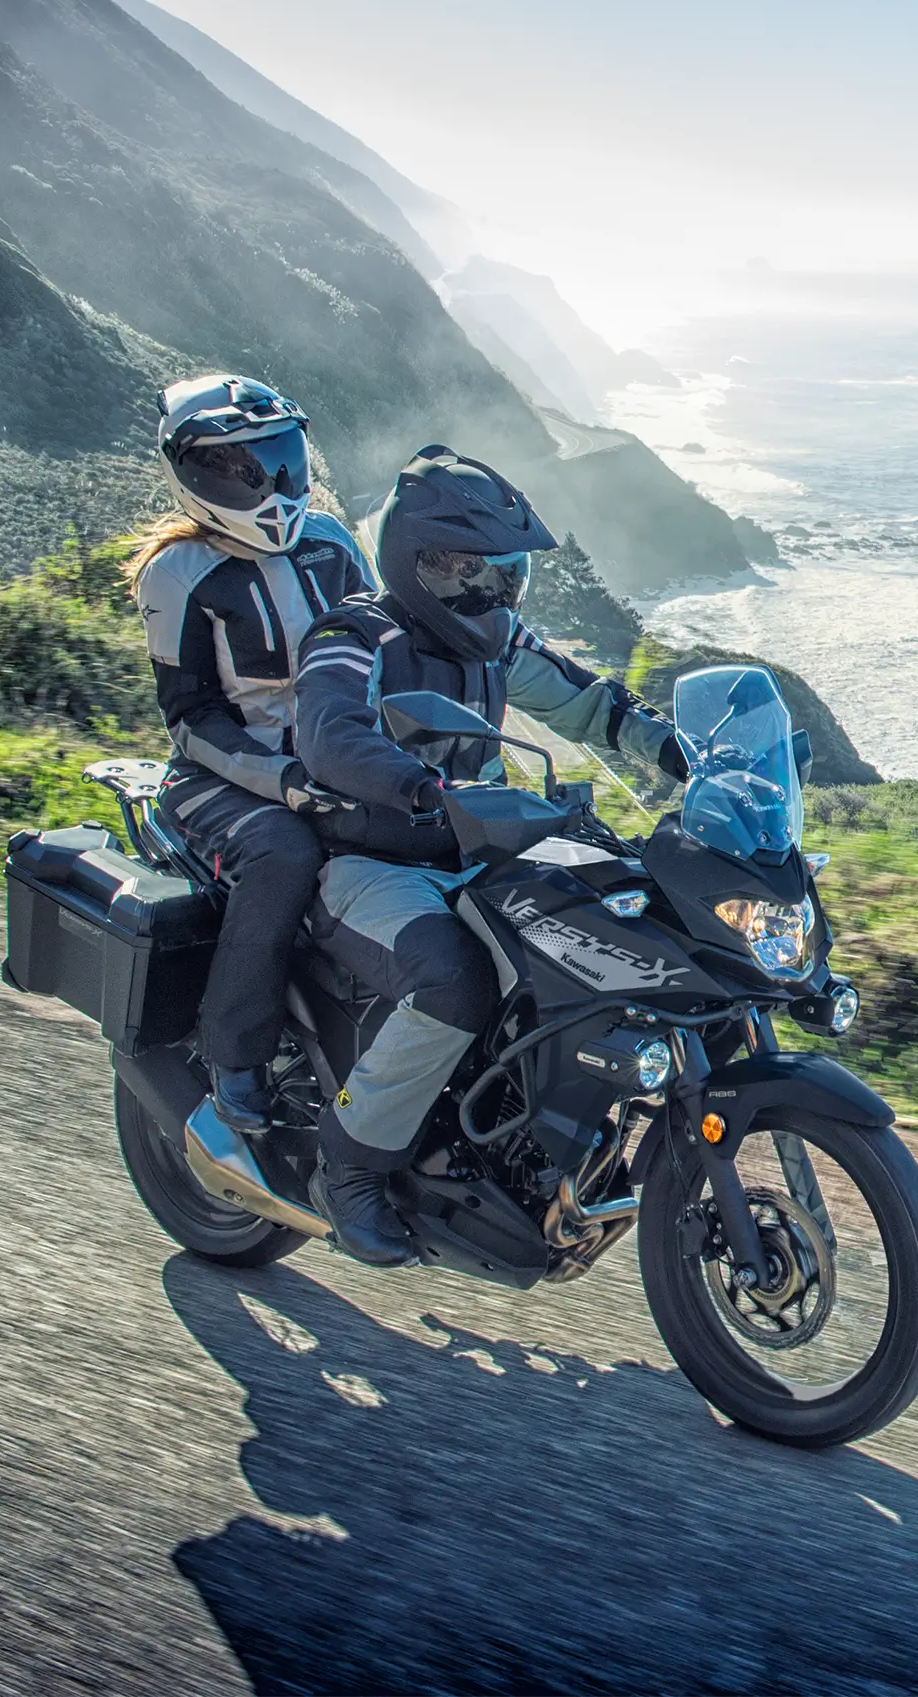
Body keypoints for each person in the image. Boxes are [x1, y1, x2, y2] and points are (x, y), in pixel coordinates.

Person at [292, 445, 684, 1264]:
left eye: (506, 576)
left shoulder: (496, 644)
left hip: (484, 860)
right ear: (418, 564)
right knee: (456, 978)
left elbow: (586, 700)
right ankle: (350, 1165)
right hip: (374, 865)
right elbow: (329, 734)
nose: (493, 594)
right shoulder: (355, 633)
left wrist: (677, 747)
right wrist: (418, 786)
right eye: (474, 573)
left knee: (601, 943)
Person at [127, 375, 376, 1137]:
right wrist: (283, 779)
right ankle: (234, 1060)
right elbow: (191, 719)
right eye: (242, 469)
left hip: (333, 762)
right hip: (220, 779)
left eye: (281, 462)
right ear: (194, 475)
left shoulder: (331, 540)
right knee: (283, 853)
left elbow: (388, 649)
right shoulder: (177, 574)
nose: (271, 485)